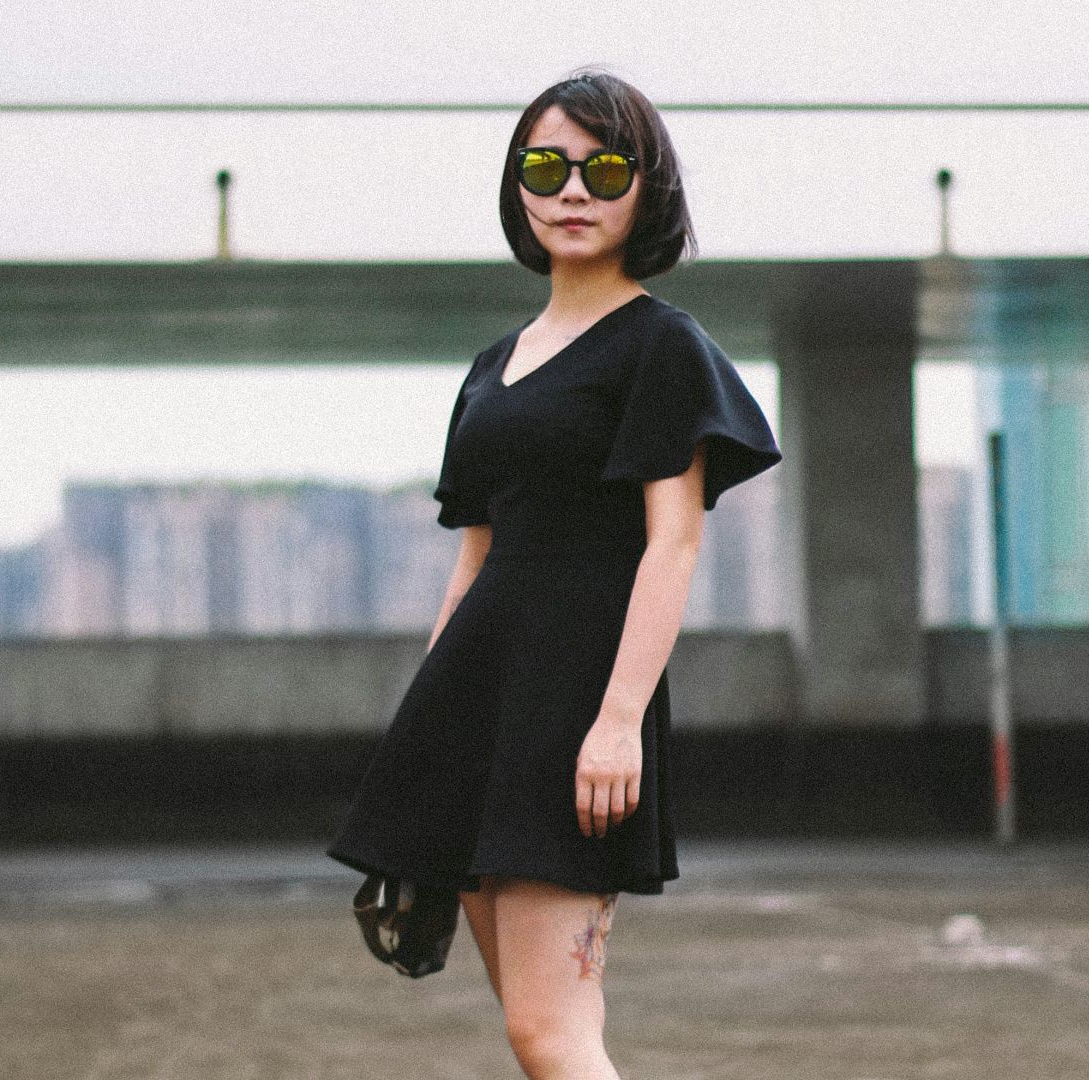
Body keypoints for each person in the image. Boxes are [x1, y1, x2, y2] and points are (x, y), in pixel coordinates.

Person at [326, 67, 781, 1079]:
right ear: (518, 187)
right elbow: (474, 557)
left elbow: (674, 542)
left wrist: (618, 721)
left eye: (603, 167)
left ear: (645, 188)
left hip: (578, 701)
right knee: (535, 1031)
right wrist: (427, 732)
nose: (572, 190)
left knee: (553, 1032)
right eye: (547, 166)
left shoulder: (662, 346)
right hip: (477, 699)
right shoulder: (495, 364)